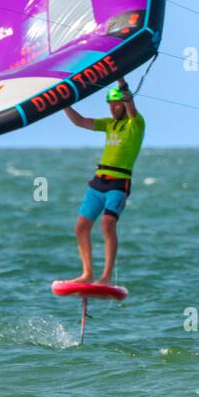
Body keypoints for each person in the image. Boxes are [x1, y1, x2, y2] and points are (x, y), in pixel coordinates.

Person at [62, 79, 144, 286]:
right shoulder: (109, 124)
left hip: (118, 184)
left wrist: (121, 82)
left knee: (107, 224)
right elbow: (79, 122)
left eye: (116, 104)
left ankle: (106, 277)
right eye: (110, 103)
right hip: (98, 183)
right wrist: (62, 103)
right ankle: (87, 274)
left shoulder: (135, 123)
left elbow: (130, 103)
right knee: (81, 227)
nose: (113, 107)